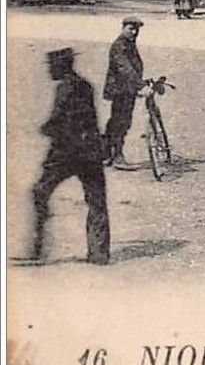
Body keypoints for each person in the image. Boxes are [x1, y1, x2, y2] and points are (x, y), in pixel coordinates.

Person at [28, 48, 110, 265]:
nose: (49, 71)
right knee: (97, 201)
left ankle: (38, 250)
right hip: (91, 152)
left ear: (61, 66)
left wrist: (44, 129)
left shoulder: (65, 89)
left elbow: (59, 121)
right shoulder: (86, 86)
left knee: (40, 192)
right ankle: (99, 253)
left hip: (67, 154)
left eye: (52, 66)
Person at [102, 17, 145, 168]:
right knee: (122, 121)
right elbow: (124, 68)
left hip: (126, 88)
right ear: (123, 28)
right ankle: (117, 156)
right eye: (130, 29)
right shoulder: (119, 45)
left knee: (116, 120)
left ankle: (106, 154)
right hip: (121, 90)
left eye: (136, 30)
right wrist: (140, 86)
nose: (134, 32)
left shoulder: (129, 44)